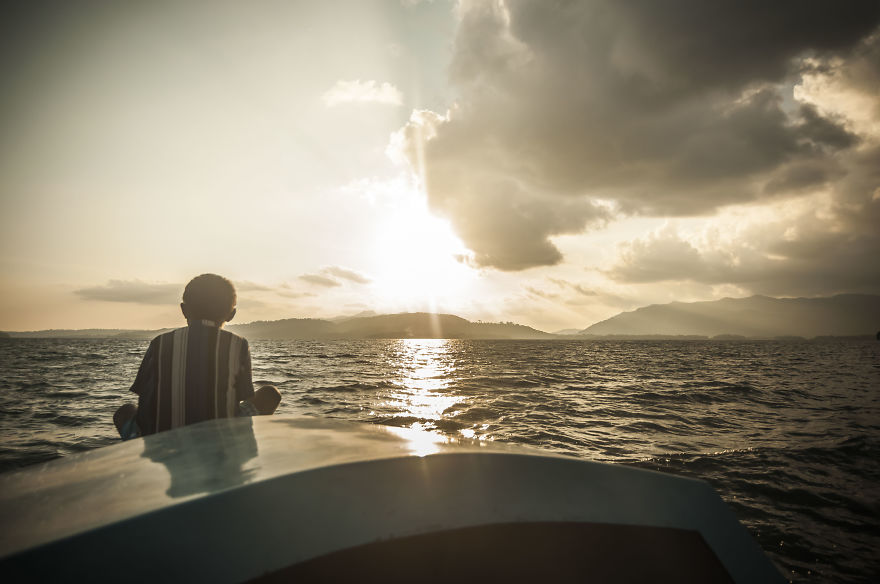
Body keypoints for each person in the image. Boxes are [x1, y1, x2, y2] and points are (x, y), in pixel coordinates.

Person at [113, 274, 280, 439]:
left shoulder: (159, 343)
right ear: (232, 314)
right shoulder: (238, 345)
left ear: (184, 310)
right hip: (220, 440)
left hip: (160, 442)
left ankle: (138, 439)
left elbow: (144, 398)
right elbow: (244, 398)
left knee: (125, 411)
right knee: (270, 394)